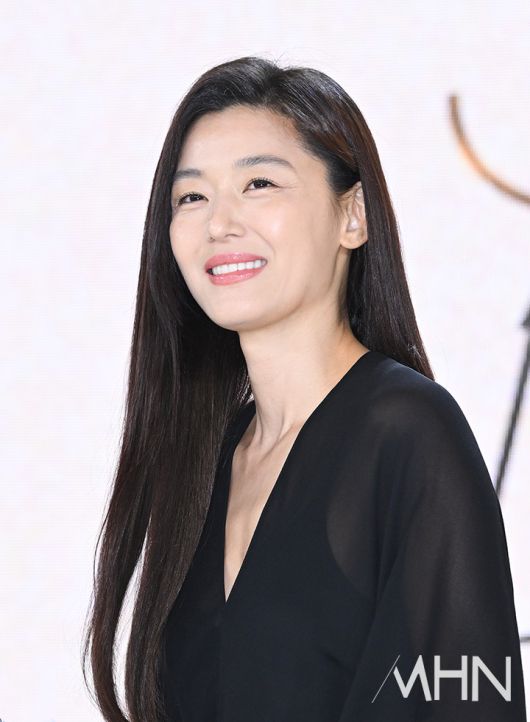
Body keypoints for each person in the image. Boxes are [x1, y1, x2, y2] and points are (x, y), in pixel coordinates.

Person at [82, 56, 527, 722]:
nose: (219, 223)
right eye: (191, 197)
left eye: (259, 183)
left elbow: (470, 702)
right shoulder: (205, 459)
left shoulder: (409, 434)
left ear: (353, 216)